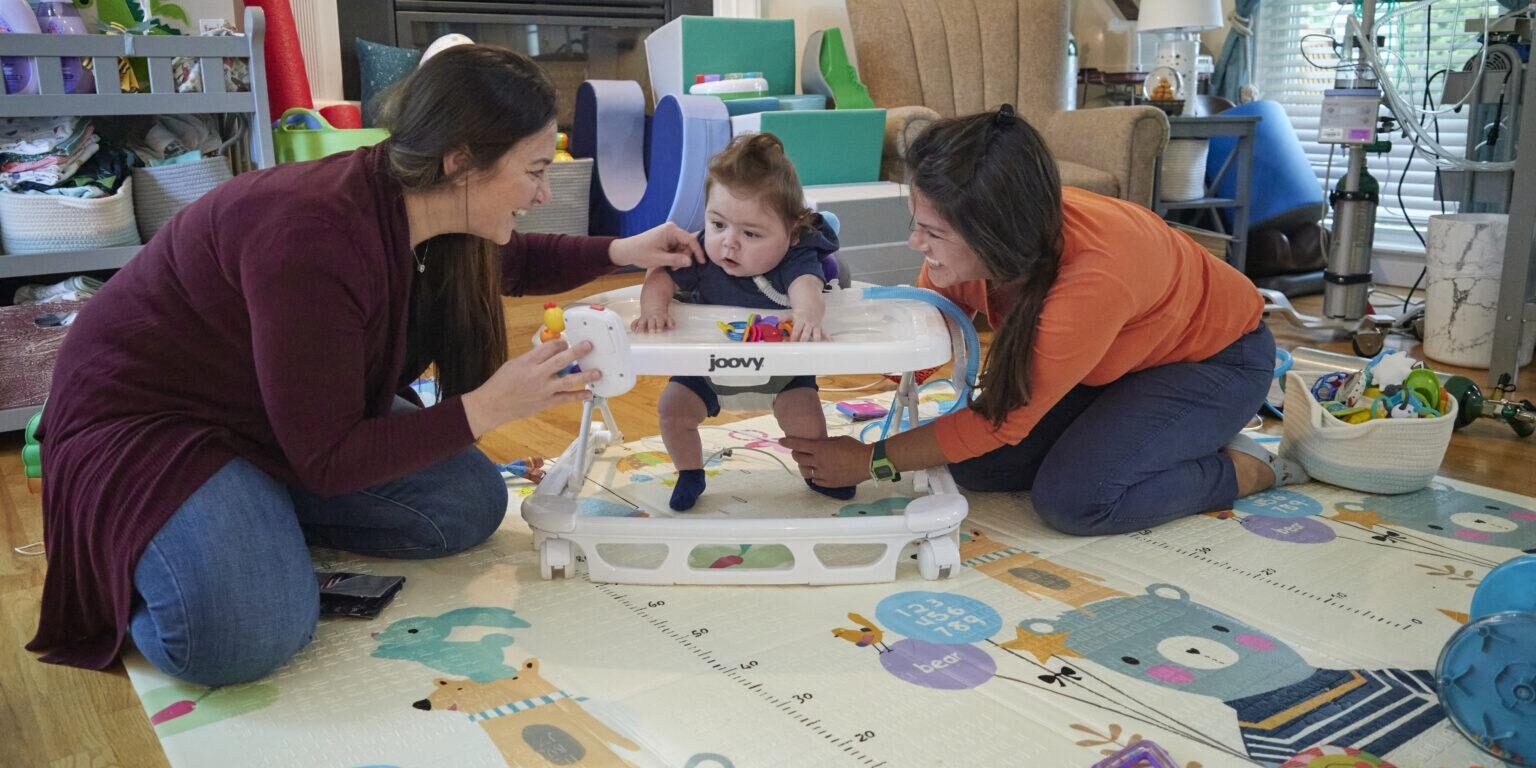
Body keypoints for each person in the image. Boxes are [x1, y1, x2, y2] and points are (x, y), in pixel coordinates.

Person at [27, 45, 704, 684]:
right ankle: (162, 559)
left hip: (268, 413)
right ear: (461, 161)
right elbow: (327, 457)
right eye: (532, 170)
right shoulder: (312, 235)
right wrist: (493, 403)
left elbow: (516, 260)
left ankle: (251, 513)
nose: (539, 193)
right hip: (151, 426)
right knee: (245, 633)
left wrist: (625, 250)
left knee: (468, 504)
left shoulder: (420, 200)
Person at [782, 106, 1307, 536]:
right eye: (917, 225)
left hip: (1216, 360)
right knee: (972, 467)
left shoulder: (1094, 281)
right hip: (1115, 362)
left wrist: (869, 461)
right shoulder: (987, 238)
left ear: (994, 238)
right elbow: (929, 330)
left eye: (933, 234)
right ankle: (1145, 438)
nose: (916, 245)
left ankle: (1243, 467)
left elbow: (1001, 420)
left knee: (1076, 501)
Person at [631, 133, 854, 511]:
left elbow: (808, 289)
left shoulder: (796, 259)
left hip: (783, 374)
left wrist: (805, 316)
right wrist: (654, 308)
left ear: (792, 231)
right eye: (718, 225)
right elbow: (660, 275)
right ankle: (690, 472)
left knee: (804, 418)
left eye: (750, 233)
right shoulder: (702, 254)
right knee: (673, 409)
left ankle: (817, 471)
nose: (729, 243)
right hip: (706, 370)